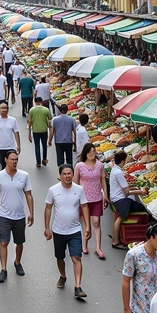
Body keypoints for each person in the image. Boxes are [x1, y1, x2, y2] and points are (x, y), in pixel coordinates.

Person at [0, 149, 33, 283]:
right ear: (6, 160)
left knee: (19, 242)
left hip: (19, 216)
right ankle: (3, 269)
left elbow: (29, 194)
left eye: (16, 160)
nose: (14, 162)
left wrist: (31, 213)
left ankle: (17, 262)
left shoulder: (24, 175)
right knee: (4, 242)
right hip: (4, 215)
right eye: (12, 159)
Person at [45, 163, 87, 300]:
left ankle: (78, 287)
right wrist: (47, 227)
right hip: (58, 230)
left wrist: (87, 226)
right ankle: (63, 276)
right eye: (64, 174)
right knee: (60, 257)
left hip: (75, 230)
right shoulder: (53, 190)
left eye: (69, 173)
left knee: (76, 257)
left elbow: (84, 206)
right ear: (60, 175)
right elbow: (48, 208)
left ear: (73, 174)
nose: (67, 176)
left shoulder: (79, 189)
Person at [75, 142, 109, 259]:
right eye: (90, 152)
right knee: (85, 223)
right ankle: (84, 244)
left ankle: (98, 247)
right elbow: (75, 182)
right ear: (85, 153)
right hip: (83, 199)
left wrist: (105, 195)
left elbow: (103, 180)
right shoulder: (79, 166)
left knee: (96, 221)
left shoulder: (100, 165)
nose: (92, 154)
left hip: (97, 197)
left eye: (94, 152)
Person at [110, 151, 147, 249]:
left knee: (138, 206)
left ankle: (116, 239)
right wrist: (140, 192)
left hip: (117, 198)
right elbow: (126, 192)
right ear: (123, 160)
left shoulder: (115, 169)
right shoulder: (118, 172)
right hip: (121, 200)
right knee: (140, 209)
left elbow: (123, 187)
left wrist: (133, 187)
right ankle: (115, 242)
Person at [0, 101, 21, 168]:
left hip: (11, 147)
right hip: (0, 147)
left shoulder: (13, 120)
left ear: (8, 109)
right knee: (2, 167)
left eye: (6, 108)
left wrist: (18, 145)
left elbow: (16, 133)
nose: (4, 110)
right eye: (2, 108)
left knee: (11, 167)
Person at [28, 96, 52, 167]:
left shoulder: (31, 110)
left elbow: (29, 122)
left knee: (37, 146)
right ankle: (44, 159)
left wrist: (29, 134)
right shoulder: (46, 110)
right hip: (44, 130)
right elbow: (50, 118)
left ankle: (38, 162)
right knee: (44, 145)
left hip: (35, 131)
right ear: (41, 102)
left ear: (35, 102)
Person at [51, 105, 77, 169]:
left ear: (60, 110)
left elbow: (52, 131)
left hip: (58, 141)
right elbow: (74, 132)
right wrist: (74, 143)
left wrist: (49, 140)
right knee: (69, 158)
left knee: (60, 158)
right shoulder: (72, 119)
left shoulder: (55, 119)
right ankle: (70, 172)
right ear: (67, 110)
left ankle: (61, 172)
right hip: (68, 141)